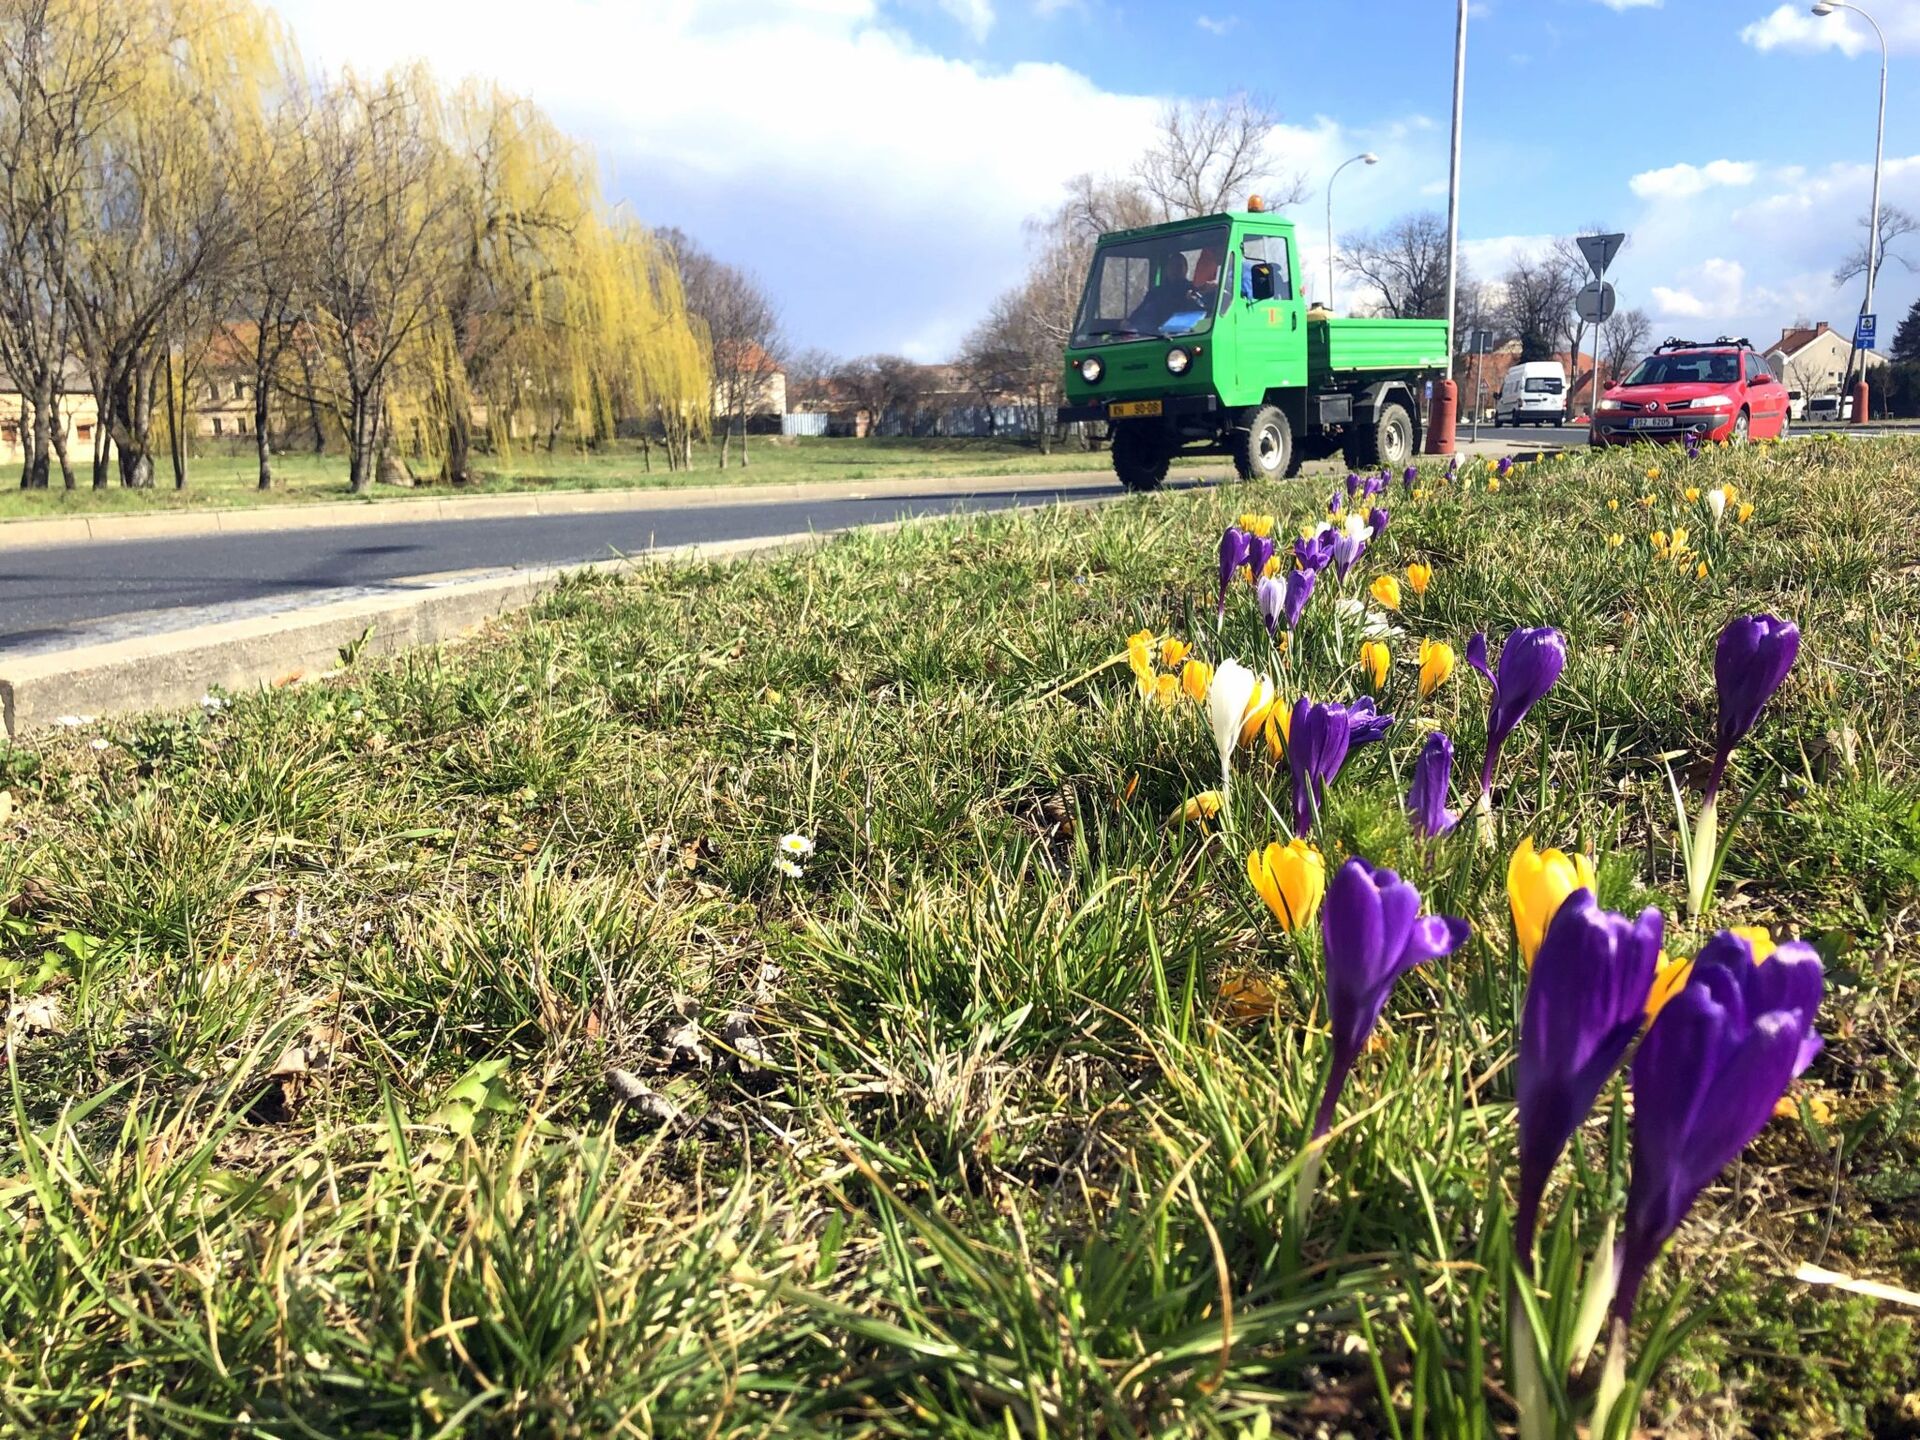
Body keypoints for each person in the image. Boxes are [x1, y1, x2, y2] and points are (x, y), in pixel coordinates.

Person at [1128, 250, 1211, 334]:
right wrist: (1129, 322)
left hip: (1184, 335)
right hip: (1156, 336)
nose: (1175, 270)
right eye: (1172, 266)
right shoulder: (1156, 293)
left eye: (1179, 266)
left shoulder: (1194, 290)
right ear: (1167, 269)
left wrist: (1193, 300)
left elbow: (1204, 312)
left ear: (1186, 269)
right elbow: (1141, 312)